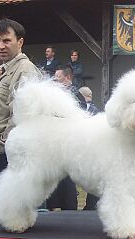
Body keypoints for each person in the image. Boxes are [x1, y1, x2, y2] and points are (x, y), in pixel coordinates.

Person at [0, 18, 42, 206]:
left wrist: (2, 146)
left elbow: (23, 115)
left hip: (10, 154)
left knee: (11, 209)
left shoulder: (25, 70)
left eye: (7, 40)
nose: (1, 46)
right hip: (0, 153)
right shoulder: (9, 70)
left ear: (20, 42)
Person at [45, 65, 87, 211]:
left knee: (67, 180)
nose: (55, 82)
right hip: (55, 143)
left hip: (70, 144)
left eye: (58, 79)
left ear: (68, 78)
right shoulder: (56, 96)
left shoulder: (75, 95)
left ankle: (69, 210)